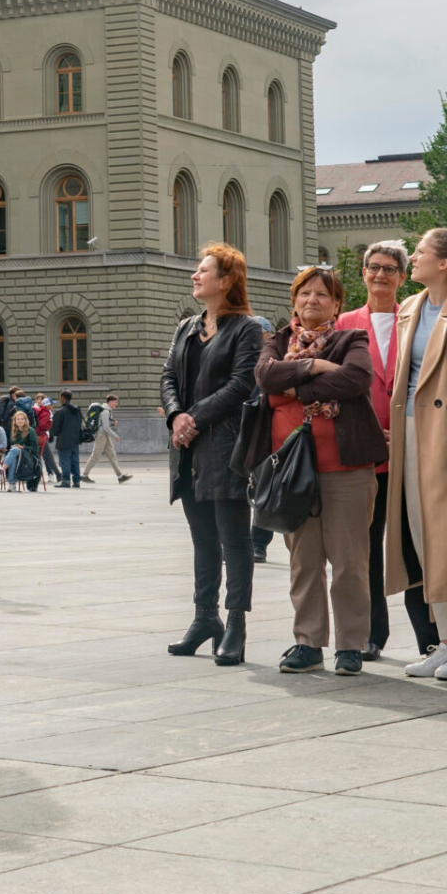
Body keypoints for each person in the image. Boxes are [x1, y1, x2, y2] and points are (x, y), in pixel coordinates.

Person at [241, 265, 380, 674]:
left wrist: (295, 387)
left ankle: (351, 646)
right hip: (290, 471)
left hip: (346, 468)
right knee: (304, 562)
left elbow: (356, 379)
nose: (312, 300)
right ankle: (308, 642)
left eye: (322, 295)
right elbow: (266, 376)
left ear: (337, 304)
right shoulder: (276, 341)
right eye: (305, 293)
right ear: (294, 301)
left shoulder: (350, 339)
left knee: (350, 561)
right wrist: (318, 368)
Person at [162, 243, 265, 663]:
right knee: (203, 541)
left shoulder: (247, 328)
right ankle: (205, 618)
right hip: (187, 450)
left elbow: (243, 384)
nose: (194, 276)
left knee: (235, 541)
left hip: (225, 447)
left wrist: (194, 418)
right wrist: (175, 417)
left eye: (203, 270)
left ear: (226, 281)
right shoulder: (186, 326)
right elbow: (168, 375)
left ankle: (235, 624)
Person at [387, 229, 447, 682]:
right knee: (424, 535)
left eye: (420, 252)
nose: (414, 259)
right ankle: (445, 641)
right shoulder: (410, 307)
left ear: (445, 263)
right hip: (409, 428)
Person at [339, 240, 430, 661]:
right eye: (372, 267)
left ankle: (429, 637)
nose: (380, 275)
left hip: (412, 449)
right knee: (367, 546)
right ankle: (373, 632)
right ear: (363, 273)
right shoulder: (344, 324)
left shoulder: (416, 317)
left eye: (389, 268)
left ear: (401, 274)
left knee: (414, 543)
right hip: (365, 452)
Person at [84, 395, 132, 483]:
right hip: (101, 435)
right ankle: (84, 475)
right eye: (115, 402)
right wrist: (115, 435)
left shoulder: (107, 410)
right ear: (110, 402)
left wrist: (112, 423)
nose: (116, 404)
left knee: (112, 455)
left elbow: (104, 424)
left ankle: (120, 476)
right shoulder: (105, 411)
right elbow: (105, 427)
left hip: (105, 435)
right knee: (95, 456)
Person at [6, 409, 43, 490]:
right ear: (15, 421)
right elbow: (12, 445)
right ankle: (12, 484)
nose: (20, 421)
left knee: (15, 450)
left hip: (29, 456)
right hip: (16, 455)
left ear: (25, 420)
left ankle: (3, 470)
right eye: (18, 419)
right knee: (14, 454)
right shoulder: (13, 431)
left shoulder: (30, 430)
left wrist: (23, 447)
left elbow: (35, 448)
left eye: (22, 419)